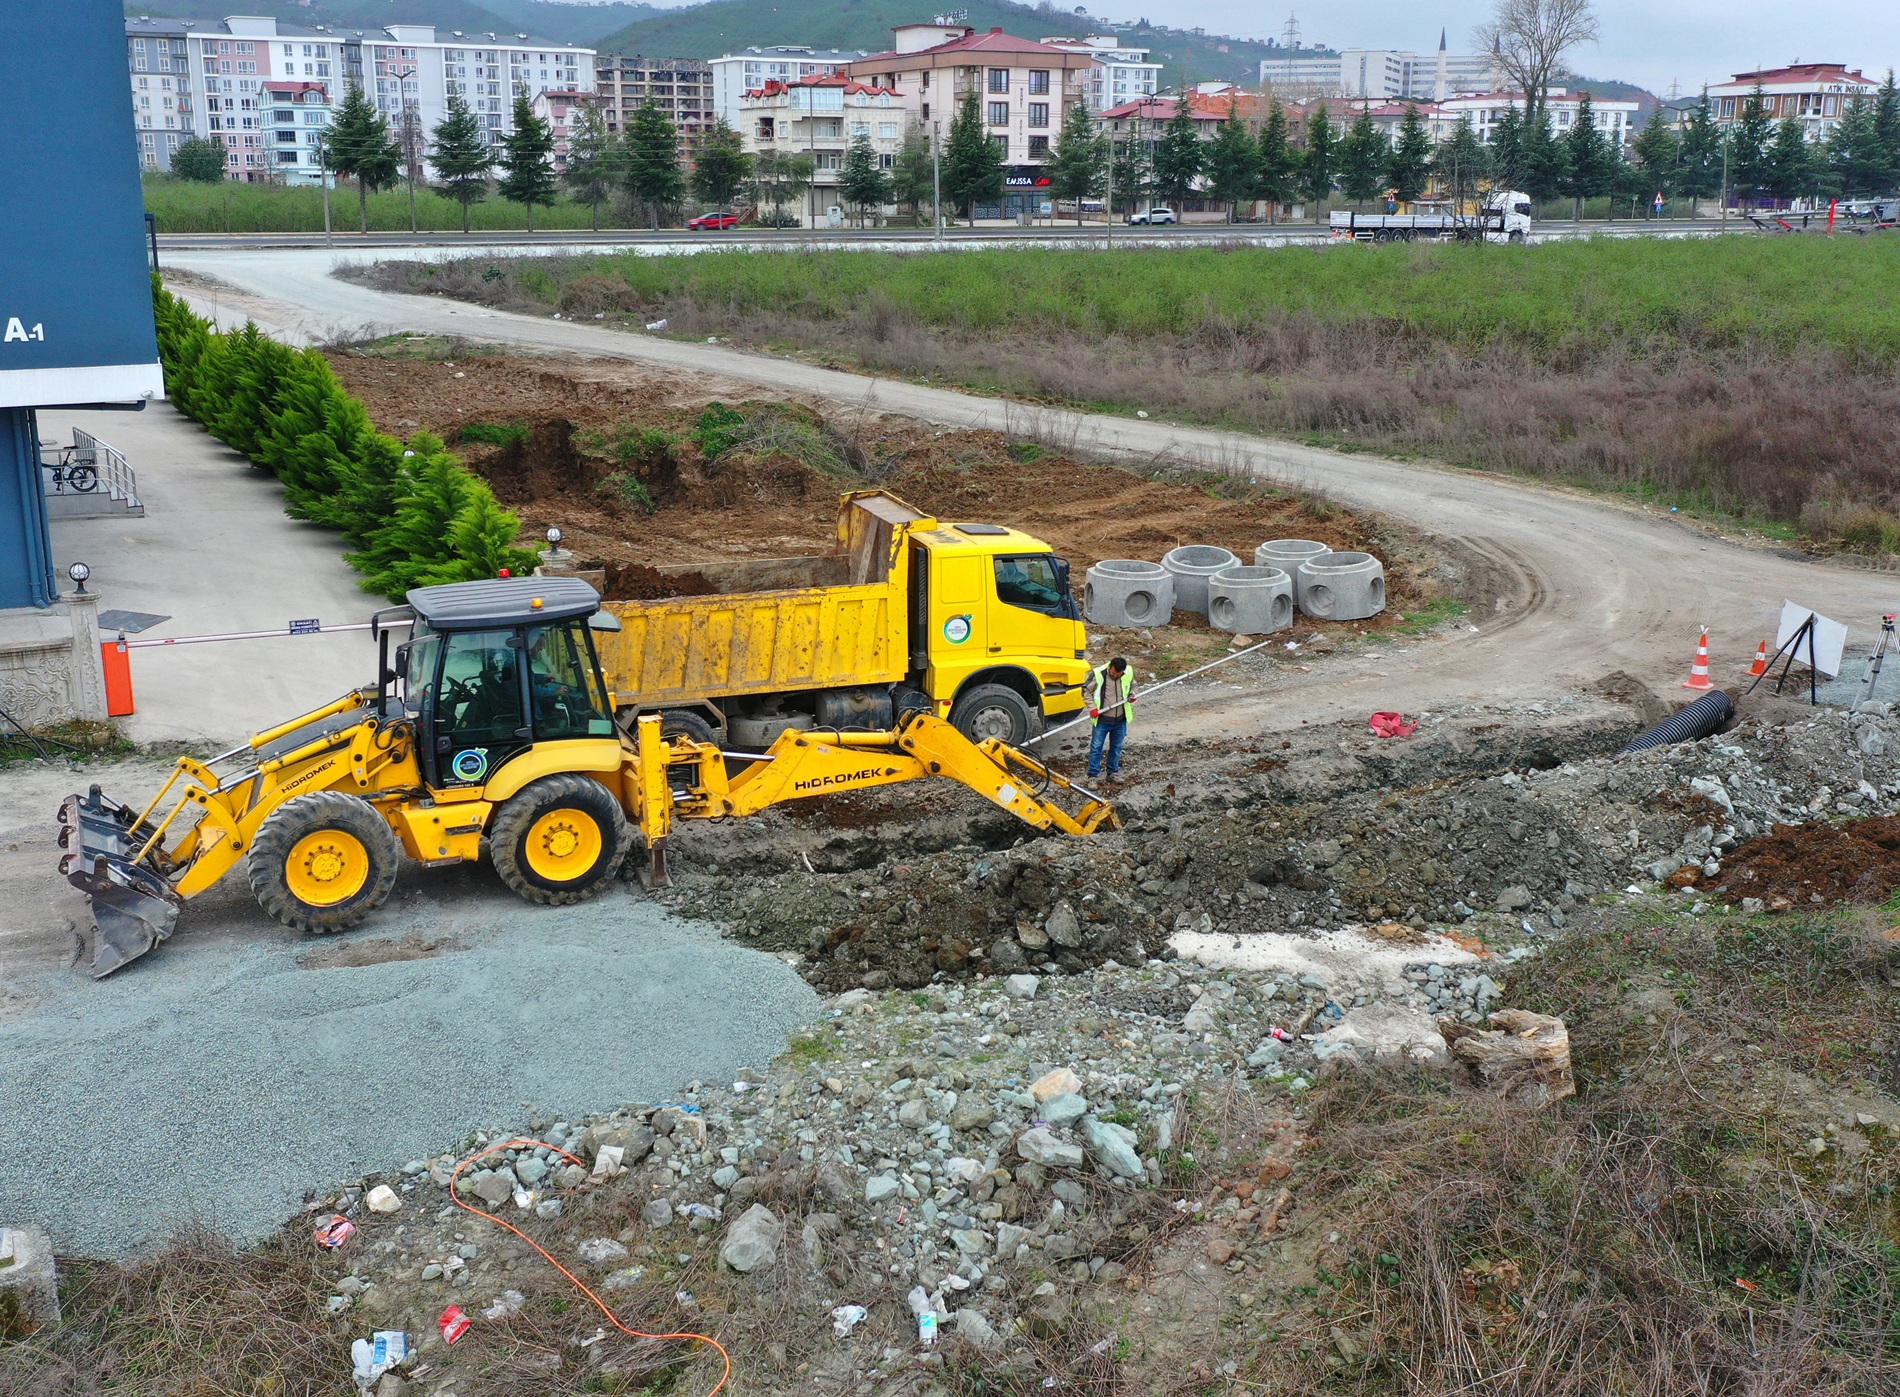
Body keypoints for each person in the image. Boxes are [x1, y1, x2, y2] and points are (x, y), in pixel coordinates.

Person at [1085, 655, 1135, 781]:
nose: (1116, 675)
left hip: (1120, 719)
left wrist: (1132, 694)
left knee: (1116, 747)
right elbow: (1085, 691)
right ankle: (1092, 775)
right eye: (1114, 673)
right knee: (1096, 748)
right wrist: (1092, 708)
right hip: (1103, 720)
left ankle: (1112, 773)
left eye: (1119, 674)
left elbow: (1133, 685)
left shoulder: (1128, 672)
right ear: (1110, 667)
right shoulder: (1098, 674)